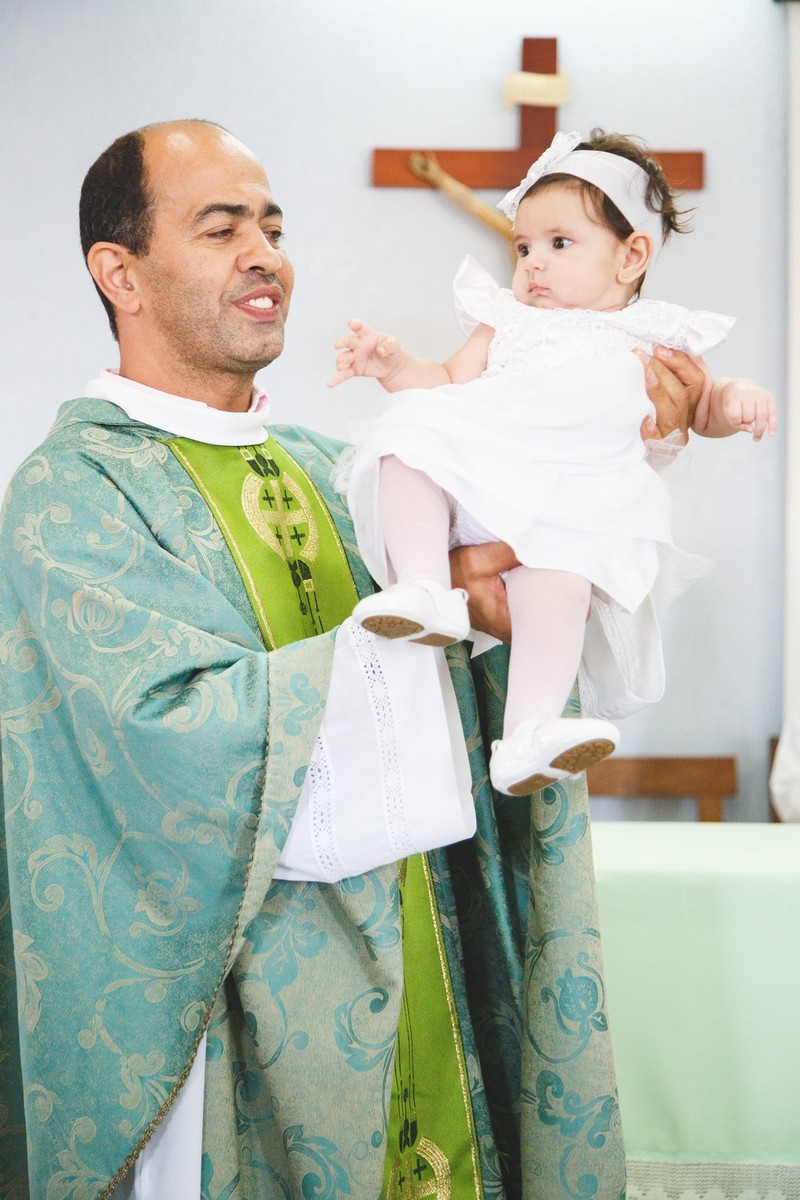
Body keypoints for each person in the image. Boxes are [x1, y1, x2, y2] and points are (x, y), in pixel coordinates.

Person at [0, 120, 705, 1200]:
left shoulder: (345, 470)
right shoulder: (76, 492)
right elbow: (155, 751)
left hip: (427, 955)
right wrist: (407, 643)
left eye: (273, 226)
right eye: (221, 226)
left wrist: (622, 451)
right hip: (230, 1019)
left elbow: (521, 600)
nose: (264, 252)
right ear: (119, 272)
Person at [329, 129, 776, 797]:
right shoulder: (506, 321)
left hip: (572, 501)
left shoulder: (652, 332)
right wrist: (395, 367)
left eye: (559, 244)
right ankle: (424, 589)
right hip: (485, 480)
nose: (533, 263)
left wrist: (739, 399)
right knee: (408, 438)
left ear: (631, 256)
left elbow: (698, 405)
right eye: (524, 246)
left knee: (561, 583)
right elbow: (447, 380)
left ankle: (529, 735)